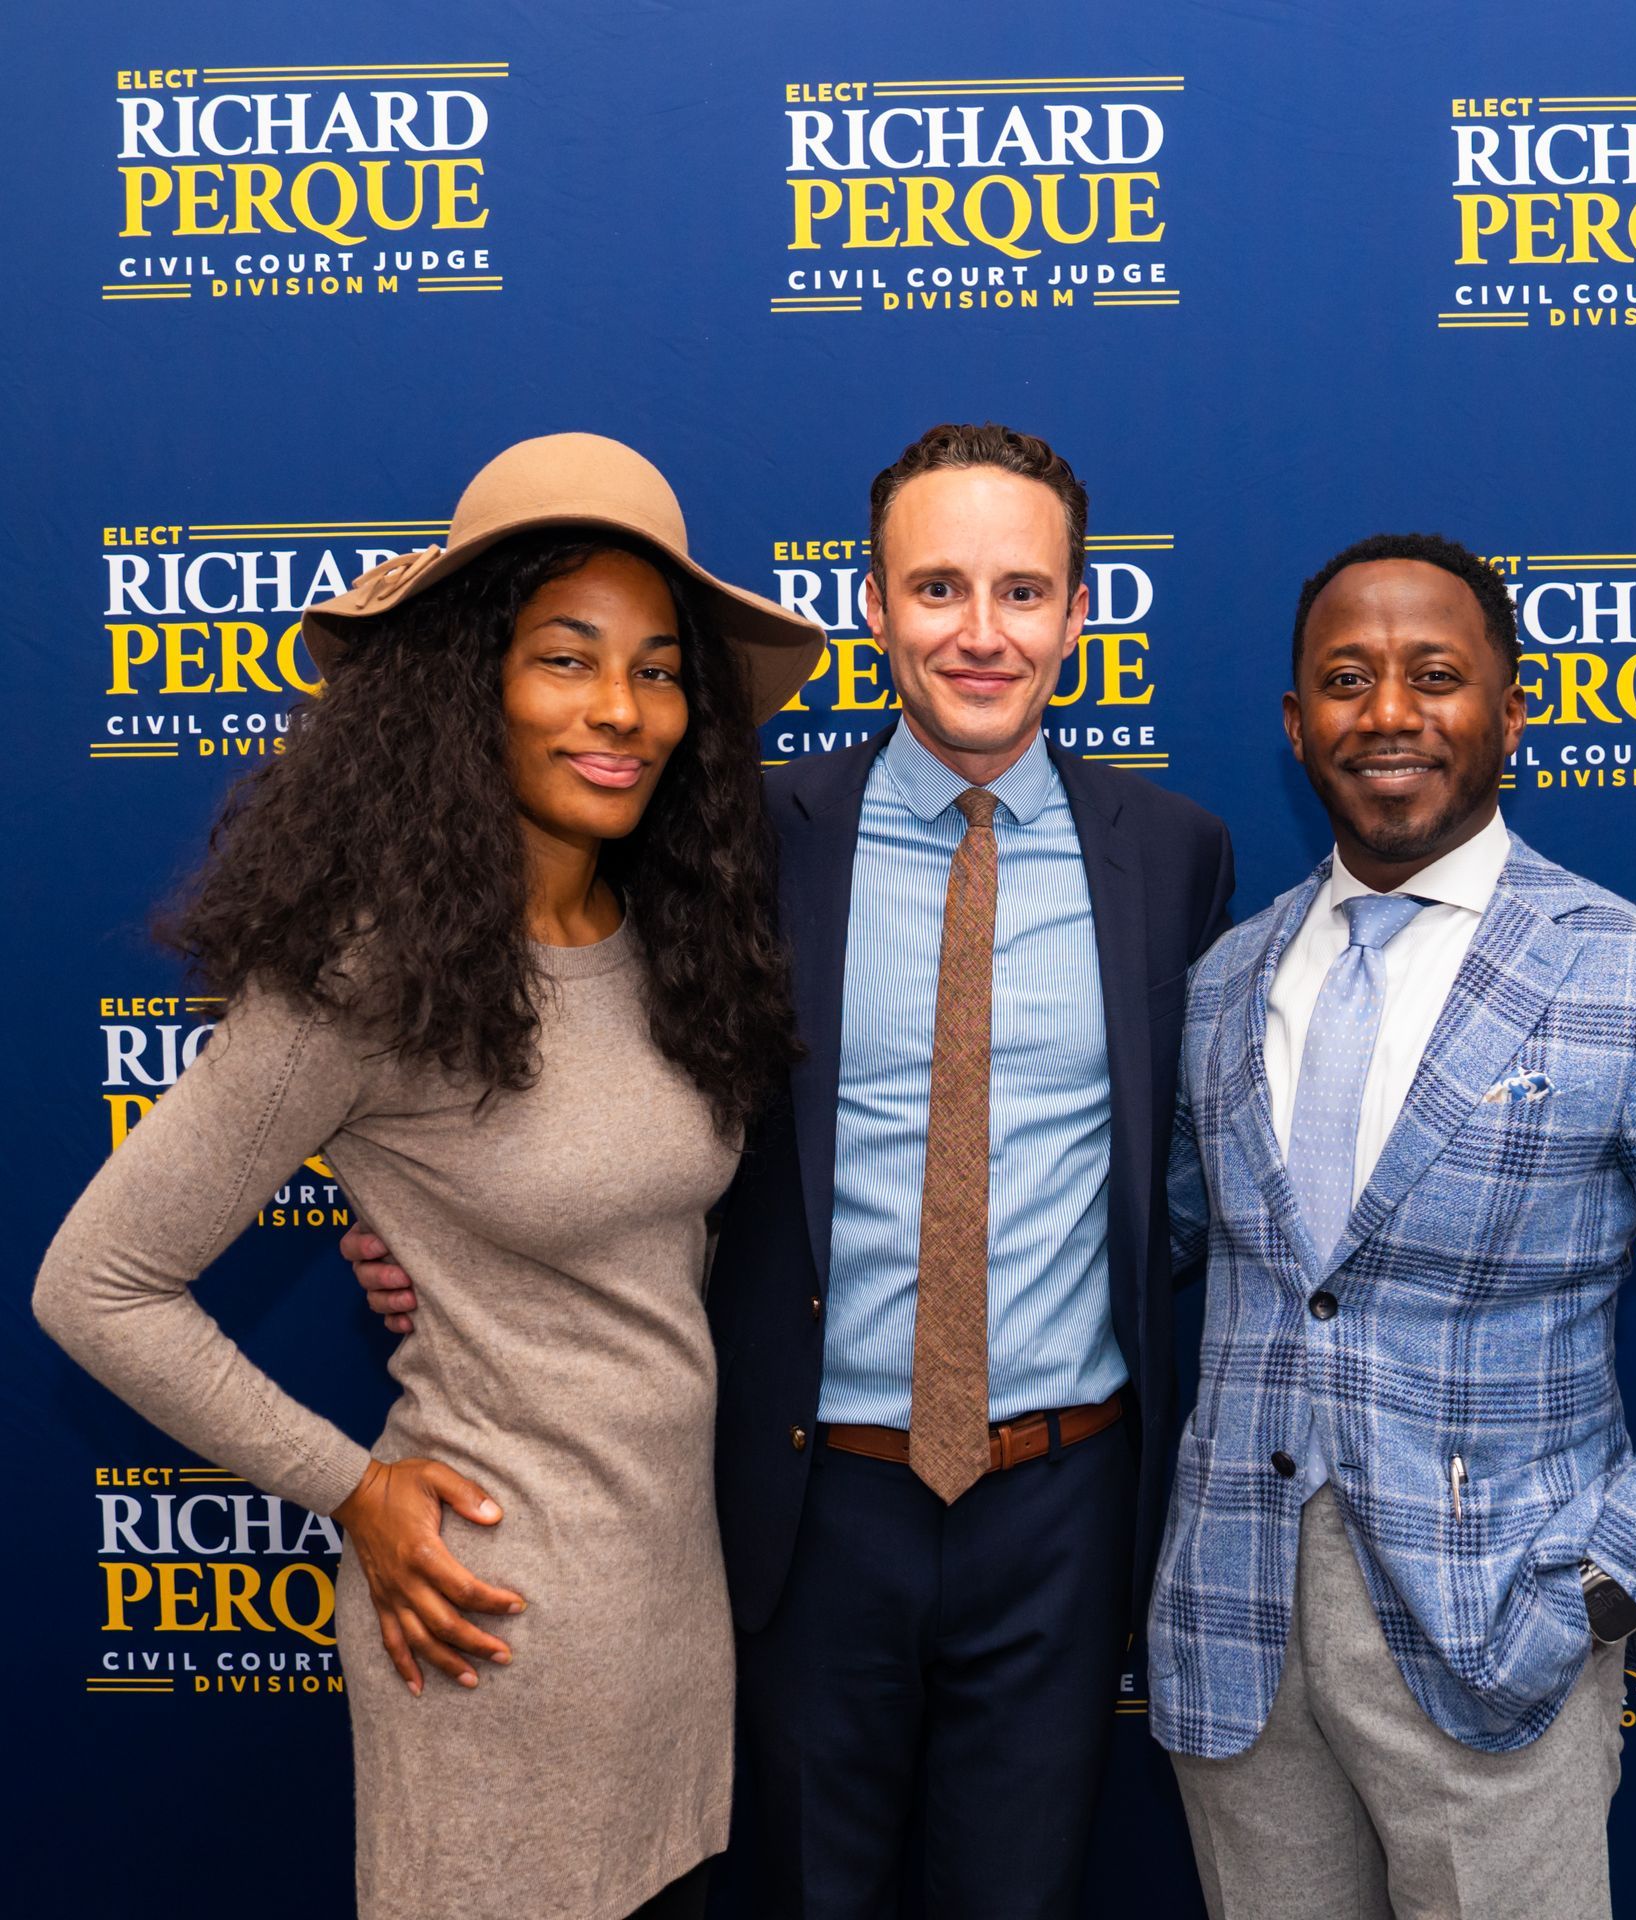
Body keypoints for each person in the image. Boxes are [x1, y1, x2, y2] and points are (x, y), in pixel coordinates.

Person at [352, 422, 1236, 1917]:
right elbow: (491, 984)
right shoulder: (737, 834)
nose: (981, 632)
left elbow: (1196, 1175)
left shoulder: (1175, 857)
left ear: (1080, 616)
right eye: (938, 587)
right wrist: (426, 1230)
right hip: (801, 1503)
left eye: (1023, 592)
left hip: (1063, 1508)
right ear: (874, 605)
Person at [34, 433, 825, 1920]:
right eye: (566, 658)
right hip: (489, 1623)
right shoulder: (366, 972)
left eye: (659, 669)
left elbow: (632, 1263)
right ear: (471, 683)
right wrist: (356, 1490)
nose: (621, 711)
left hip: (672, 1613)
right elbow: (97, 1285)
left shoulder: (679, 939)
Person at [1150, 532, 1636, 1920]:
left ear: (1511, 714)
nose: (1391, 713)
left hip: (1501, 1642)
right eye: (1346, 680)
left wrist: (1606, 1583)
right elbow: (1178, 1244)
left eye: (1436, 675)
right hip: (1234, 1639)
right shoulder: (1227, 978)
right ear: (1298, 727)